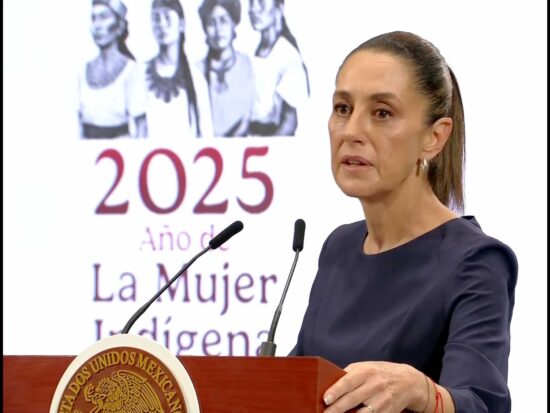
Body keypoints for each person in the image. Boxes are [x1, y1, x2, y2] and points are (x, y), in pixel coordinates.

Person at [290, 31, 518, 413]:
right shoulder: (338, 247)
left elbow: (482, 403)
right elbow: (297, 383)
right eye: (343, 108)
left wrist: (423, 392)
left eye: (382, 113)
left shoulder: (475, 261)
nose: (351, 131)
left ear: (434, 137)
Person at [79, 0, 148, 139]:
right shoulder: (82, 70)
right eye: (93, 18)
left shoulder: (131, 70)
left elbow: (141, 126)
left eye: (103, 17)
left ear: (119, 26)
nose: (97, 26)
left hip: (120, 148)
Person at [145, 0, 213, 139]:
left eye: (167, 17)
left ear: (181, 24)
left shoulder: (196, 79)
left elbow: (206, 135)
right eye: (156, 18)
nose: (162, 24)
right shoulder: (139, 74)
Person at [247, 0, 310, 136]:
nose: (253, 9)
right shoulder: (252, 51)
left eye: (261, 2)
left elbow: (289, 123)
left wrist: (267, 147)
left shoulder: (287, 55)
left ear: (279, 7)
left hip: (271, 139)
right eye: (251, 2)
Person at [197, 0, 256, 137]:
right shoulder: (196, 71)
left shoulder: (248, 65)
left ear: (233, 23)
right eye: (211, 23)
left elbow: (250, 115)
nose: (218, 29)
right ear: (204, 29)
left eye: (223, 21)